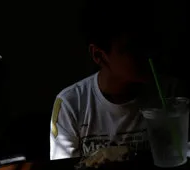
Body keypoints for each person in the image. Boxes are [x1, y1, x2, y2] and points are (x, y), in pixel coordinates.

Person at [50, 1, 181, 160]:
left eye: (150, 42)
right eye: (133, 47)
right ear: (98, 55)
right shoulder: (72, 103)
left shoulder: (169, 94)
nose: (148, 54)